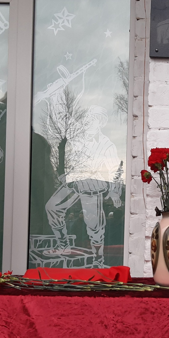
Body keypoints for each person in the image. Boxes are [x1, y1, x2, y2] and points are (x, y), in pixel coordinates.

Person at [43, 105, 123, 267]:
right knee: (52, 206)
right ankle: (63, 245)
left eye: (92, 121)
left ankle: (98, 259)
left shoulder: (107, 145)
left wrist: (115, 192)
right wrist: (64, 175)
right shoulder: (78, 139)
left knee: (94, 224)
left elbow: (116, 170)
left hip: (93, 185)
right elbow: (69, 161)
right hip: (74, 183)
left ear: (99, 123)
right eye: (87, 121)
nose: (87, 124)